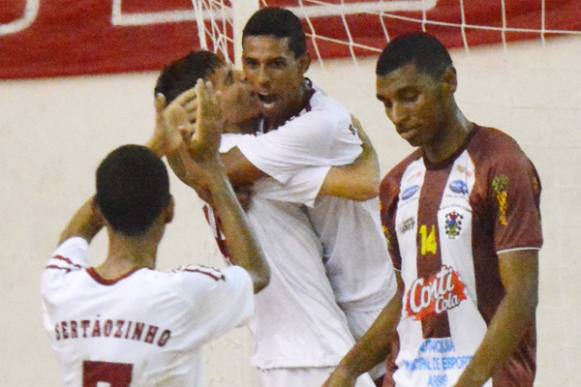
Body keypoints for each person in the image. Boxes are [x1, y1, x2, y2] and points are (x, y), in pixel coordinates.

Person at [324, 32, 542, 387]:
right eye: (386, 103)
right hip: (410, 376)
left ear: (449, 81)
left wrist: (468, 382)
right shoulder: (396, 185)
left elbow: (522, 293)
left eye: (409, 97)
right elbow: (407, 298)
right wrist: (347, 369)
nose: (397, 115)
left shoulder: (500, 164)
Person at [156, 50, 380, 387]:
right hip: (315, 356)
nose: (246, 78)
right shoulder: (249, 161)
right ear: (201, 105)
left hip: (281, 357)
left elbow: (195, 169)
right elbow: (364, 182)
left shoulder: (212, 163)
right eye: (230, 79)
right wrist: (365, 145)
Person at [41, 80, 270, 386]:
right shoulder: (180, 294)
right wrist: (212, 166)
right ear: (169, 210)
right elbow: (255, 272)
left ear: (98, 210)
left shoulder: (61, 288)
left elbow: (72, 238)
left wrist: (156, 145)